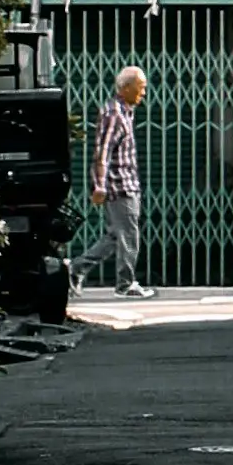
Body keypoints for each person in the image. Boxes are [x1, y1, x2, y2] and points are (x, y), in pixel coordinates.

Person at [90, 61, 147, 296]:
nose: (143, 93)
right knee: (129, 235)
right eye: (140, 87)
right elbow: (102, 151)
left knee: (116, 236)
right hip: (120, 185)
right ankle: (125, 284)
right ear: (125, 88)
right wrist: (100, 185)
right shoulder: (114, 114)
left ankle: (74, 271)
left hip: (126, 182)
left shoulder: (124, 112)